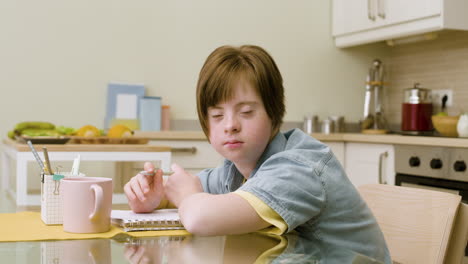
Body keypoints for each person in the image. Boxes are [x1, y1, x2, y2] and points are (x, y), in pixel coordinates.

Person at [124, 45, 391, 263]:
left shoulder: (298, 168)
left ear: (274, 114)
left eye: (247, 112)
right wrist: (155, 198)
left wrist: (187, 196)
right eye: (217, 115)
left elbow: (198, 216)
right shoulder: (235, 168)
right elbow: (191, 195)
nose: (230, 125)